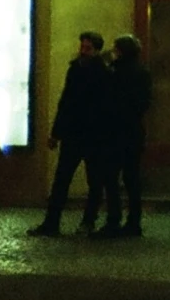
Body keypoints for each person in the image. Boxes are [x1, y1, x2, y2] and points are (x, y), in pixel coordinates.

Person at [28, 32, 111, 238]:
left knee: (91, 181)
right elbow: (65, 102)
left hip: (91, 135)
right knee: (63, 180)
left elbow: (91, 105)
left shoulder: (100, 73)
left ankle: (85, 221)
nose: (83, 51)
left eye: (87, 48)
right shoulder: (78, 69)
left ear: (96, 50)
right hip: (78, 134)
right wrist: (56, 132)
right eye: (82, 47)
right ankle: (54, 221)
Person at [98, 33, 153, 238]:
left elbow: (106, 98)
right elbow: (145, 102)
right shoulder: (142, 72)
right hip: (133, 132)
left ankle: (114, 220)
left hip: (114, 132)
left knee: (111, 178)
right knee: (132, 179)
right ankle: (133, 222)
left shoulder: (115, 72)